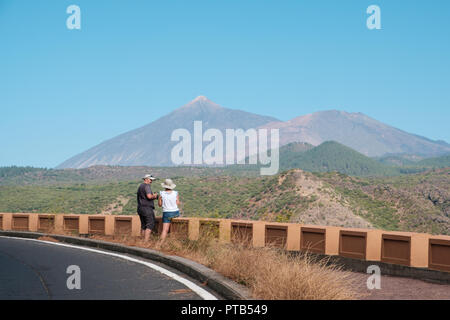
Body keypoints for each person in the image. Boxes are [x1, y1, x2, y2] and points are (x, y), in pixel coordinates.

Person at [157, 178, 180, 245]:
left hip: (166, 212)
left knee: (165, 230)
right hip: (175, 211)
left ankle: (160, 244)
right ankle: (174, 244)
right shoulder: (176, 193)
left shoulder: (161, 193)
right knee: (175, 229)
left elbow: (160, 205)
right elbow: (178, 203)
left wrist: (160, 199)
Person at [137, 174, 158, 241]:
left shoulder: (140, 186)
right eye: (150, 179)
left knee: (143, 226)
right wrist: (155, 196)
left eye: (152, 180)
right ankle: (145, 242)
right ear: (146, 179)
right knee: (150, 224)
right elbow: (149, 196)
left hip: (140, 208)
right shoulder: (147, 186)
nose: (151, 181)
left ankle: (141, 241)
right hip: (147, 208)